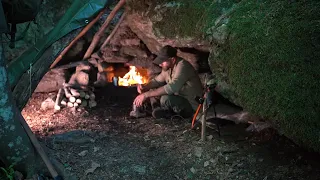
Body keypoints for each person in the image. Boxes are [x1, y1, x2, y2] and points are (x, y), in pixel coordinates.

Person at [130, 45, 203, 119]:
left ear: (173, 59)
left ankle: (168, 113)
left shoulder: (183, 65)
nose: (160, 64)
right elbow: (157, 81)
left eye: (163, 61)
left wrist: (146, 95)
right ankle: (157, 110)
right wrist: (145, 87)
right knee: (154, 91)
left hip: (191, 104)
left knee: (165, 99)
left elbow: (172, 87)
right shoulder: (168, 67)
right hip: (179, 99)